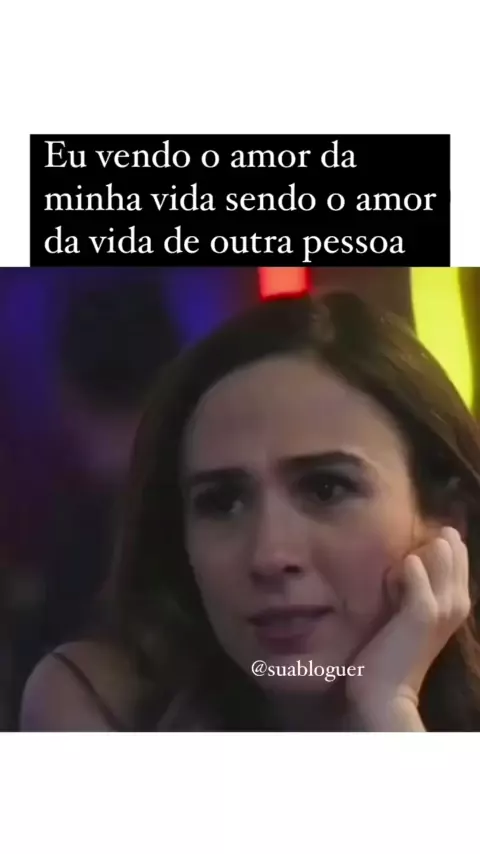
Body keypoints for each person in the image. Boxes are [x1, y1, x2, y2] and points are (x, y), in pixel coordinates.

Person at [20, 290, 480, 731]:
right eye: (223, 502)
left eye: (326, 489)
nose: (270, 556)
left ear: (447, 518)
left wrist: (388, 707)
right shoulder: (100, 706)